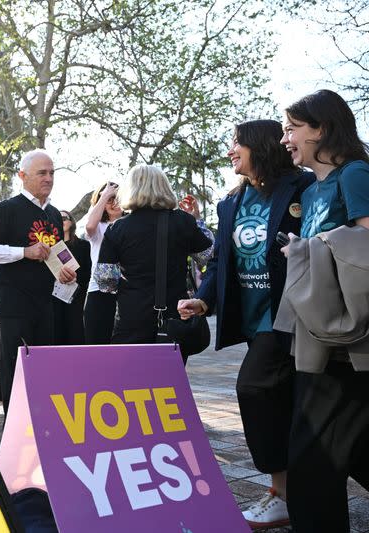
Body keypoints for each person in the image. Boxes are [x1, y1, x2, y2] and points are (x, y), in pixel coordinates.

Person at [177, 120, 314, 529]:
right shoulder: (230, 203)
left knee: (255, 389)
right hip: (256, 322)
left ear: (260, 146)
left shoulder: (304, 188)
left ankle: (286, 494)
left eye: (236, 144)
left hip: (296, 315)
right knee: (279, 401)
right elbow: (221, 260)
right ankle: (288, 493)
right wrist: (203, 298)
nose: (230, 151)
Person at [277, 89, 369, 533]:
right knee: (342, 450)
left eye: (292, 128)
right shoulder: (313, 192)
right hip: (319, 336)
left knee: (312, 461)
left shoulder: (355, 175)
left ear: (322, 129)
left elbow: (367, 249)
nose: (284, 139)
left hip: (349, 343)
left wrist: (309, 250)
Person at [0, 149, 77, 413]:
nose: (48, 178)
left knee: (43, 366)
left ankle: (40, 421)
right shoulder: (7, 209)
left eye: (52, 172)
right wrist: (23, 252)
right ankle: (13, 424)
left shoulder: (54, 214)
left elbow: (56, 251)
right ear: (22, 176)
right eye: (42, 173)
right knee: (14, 364)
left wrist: (65, 271)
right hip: (14, 304)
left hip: (46, 303)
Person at [95, 164, 212, 361]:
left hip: (131, 317)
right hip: (175, 317)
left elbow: (105, 281)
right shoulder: (183, 221)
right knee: (168, 383)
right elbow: (207, 259)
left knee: (130, 384)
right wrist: (197, 222)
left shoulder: (118, 228)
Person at [83, 181, 123, 344]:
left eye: (118, 198)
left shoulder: (132, 224)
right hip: (99, 291)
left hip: (128, 292)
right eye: (109, 199)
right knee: (97, 343)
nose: (114, 203)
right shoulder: (99, 226)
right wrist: (104, 194)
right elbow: (90, 226)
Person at [52, 209, 90, 344]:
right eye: (57, 218)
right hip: (54, 299)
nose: (61, 221)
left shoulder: (84, 245)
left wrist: (75, 277)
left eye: (64, 218)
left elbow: (88, 272)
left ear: (71, 222)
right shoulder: (49, 247)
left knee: (75, 334)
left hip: (76, 298)